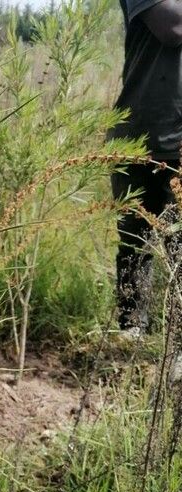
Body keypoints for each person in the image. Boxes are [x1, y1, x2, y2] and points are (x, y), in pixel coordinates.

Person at [109, 1, 182, 337]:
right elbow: (172, 27)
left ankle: (177, 350)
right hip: (142, 134)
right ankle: (130, 335)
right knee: (136, 242)